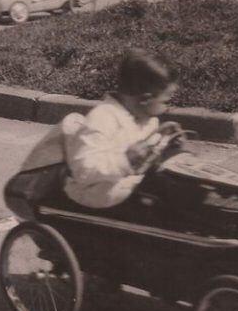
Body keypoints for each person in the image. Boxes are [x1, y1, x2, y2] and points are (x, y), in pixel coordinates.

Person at [63, 48, 178, 209]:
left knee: (178, 188)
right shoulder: (103, 118)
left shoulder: (148, 120)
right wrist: (125, 159)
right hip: (96, 192)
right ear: (145, 99)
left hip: (128, 185)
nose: (167, 108)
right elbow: (83, 170)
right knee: (163, 200)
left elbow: (149, 159)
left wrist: (167, 148)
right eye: (166, 102)